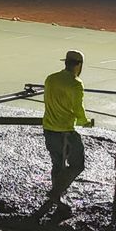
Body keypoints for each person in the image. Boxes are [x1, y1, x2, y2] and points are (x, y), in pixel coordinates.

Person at [41, 50, 93, 210]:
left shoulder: (51, 79)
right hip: (64, 132)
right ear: (79, 65)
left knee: (57, 165)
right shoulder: (75, 83)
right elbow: (78, 108)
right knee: (78, 164)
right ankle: (56, 193)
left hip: (48, 128)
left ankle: (57, 200)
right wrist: (85, 122)